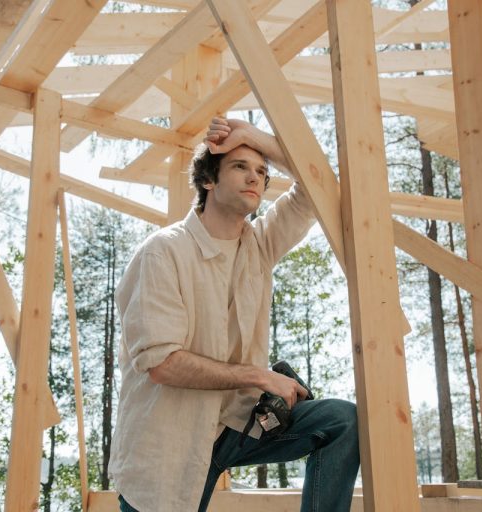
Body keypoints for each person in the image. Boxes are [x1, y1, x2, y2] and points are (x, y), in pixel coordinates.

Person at [109, 118, 360, 512]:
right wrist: (260, 376)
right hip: (170, 443)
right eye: (240, 166)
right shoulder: (163, 252)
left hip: (237, 426)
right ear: (209, 180)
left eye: (261, 171)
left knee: (342, 422)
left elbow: (316, 186)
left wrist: (254, 138)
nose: (255, 178)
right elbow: (162, 364)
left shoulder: (259, 245)